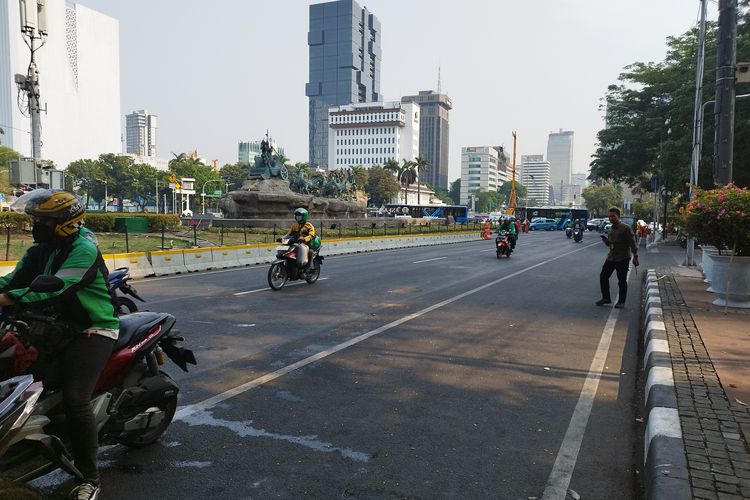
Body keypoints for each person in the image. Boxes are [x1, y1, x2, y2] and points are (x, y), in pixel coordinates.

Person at [0, 189, 118, 500]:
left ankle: (89, 478)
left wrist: (9, 298)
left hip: (91, 329)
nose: (35, 225)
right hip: (50, 327)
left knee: (75, 397)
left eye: (42, 220)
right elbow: (13, 280)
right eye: (35, 219)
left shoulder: (83, 248)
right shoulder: (41, 248)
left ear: (64, 222)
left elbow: (60, 287)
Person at [596, 207, 639, 309]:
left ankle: (621, 301)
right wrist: (606, 241)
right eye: (610, 216)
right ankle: (606, 298)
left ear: (618, 216)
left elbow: (632, 243)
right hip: (611, 257)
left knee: (622, 281)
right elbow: (610, 244)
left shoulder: (626, 228)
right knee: (603, 276)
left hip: (623, 258)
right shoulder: (610, 229)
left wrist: (635, 256)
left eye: (613, 216)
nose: (611, 218)